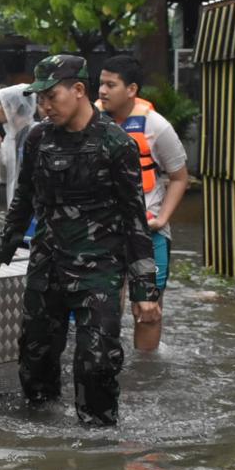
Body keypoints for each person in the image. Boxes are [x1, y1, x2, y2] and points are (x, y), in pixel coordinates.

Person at [0, 54, 161, 427]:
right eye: (40, 99)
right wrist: (1, 248)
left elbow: (135, 221)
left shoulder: (117, 144)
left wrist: (145, 290)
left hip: (99, 271)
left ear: (79, 90)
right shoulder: (38, 139)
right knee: (35, 363)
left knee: (96, 363)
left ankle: (97, 453)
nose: (45, 106)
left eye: (52, 97)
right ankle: (43, 446)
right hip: (47, 266)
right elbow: (23, 201)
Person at [98, 55, 188, 351]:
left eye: (111, 85)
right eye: (101, 83)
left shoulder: (157, 126)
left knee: (147, 309)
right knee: (105, 306)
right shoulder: (89, 122)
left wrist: (162, 220)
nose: (102, 91)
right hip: (104, 231)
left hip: (148, 231)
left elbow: (178, 177)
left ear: (132, 89)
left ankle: (146, 374)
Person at [0, 83, 39, 207]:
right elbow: (5, 177)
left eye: (1, 105)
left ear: (13, 108)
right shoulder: (9, 138)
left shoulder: (36, 133)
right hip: (15, 206)